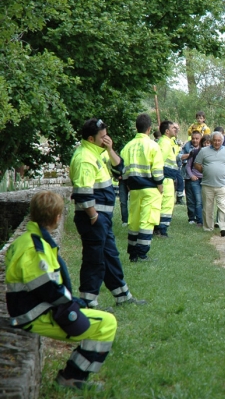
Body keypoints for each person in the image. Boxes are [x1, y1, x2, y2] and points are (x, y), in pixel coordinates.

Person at [5, 191, 118, 391]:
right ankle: (73, 378)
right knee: (107, 324)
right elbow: (48, 289)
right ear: (57, 217)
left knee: (100, 321)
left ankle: (72, 377)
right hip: (35, 314)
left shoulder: (25, 240)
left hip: (34, 308)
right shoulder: (35, 248)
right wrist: (75, 302)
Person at [69, 118, 143, 307]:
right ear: (91, 139)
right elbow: (83, 194)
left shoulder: (97, 152)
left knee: (110, 256)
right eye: (103, 137)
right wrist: (94, 216)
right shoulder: (84, 158)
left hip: (102, 219)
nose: (106, 138)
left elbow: (120, 169)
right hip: (93, 219)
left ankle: (123, 296)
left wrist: (110, 149)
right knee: (94, 260)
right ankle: (88, 303)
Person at [120, 113, 164, 262]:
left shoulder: (128, 146)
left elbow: (123, 170)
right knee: (147, 221)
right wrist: (160, 186)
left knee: (134, 220)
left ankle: (132, 253)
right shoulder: (153, 146)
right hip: (150, 188)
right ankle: (142, 254)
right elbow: (157, 170)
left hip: (134, 188)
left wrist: (127, 184)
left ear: (136, 127)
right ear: (150, 129)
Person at [194, 131, 225, 237]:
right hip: (207, 184)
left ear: (222, 141)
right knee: (208, 207)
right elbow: (196, 164)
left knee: (222, 206)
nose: (217, 142)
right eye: (215, 140)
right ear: (211, 141)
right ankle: (208, 227)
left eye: (219, 140)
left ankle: (224, 227)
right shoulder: (204, 151)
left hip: (222, 184)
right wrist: (205, 171)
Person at [155, 120, 177, 237]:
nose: (176, 130)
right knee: (167, 204)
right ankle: (161, 230)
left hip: (167, 177)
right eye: (173, 128)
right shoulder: (165, 143)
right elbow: (160, 161)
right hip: (166, 178)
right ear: (167, 131)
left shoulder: (167, 142)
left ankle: (159, 228)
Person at [185, 133, 207, 226]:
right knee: (197, 200)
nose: (206, 145)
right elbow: (188, 166)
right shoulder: (195, 152)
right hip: (195, 179)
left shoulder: (212, 154)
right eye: (205, 143)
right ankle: (199, 221)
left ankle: (205, 219)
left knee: (204, 201)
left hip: (206, 180)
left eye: (208, 143)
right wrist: (191, 176)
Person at [182, 131, 202, 224]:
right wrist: (189, 155)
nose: (194, 140)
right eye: (193, 138)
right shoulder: (187, 147)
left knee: (199, 199)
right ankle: (191, 218)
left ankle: (200, 217)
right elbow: (179, 156)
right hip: (188, 176)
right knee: (190, 198)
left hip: (199, 177)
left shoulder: (204, 149)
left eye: (197, 138)